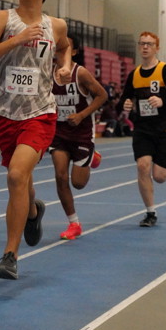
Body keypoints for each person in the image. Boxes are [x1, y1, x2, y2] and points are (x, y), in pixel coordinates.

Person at [0, 0, 72, 279]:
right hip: (6, 112)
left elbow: (65, 47)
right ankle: (33, 211)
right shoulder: (3, 19)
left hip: (40, 112)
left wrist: (65, 66)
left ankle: (10, 255)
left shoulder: (55, 25)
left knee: (17, 175)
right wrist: (17, 40)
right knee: (22, 180)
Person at [118, 32, 166, 227]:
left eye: (149, 44)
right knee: (143, 166)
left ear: (157, 48)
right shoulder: (134, 74)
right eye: (142, 43)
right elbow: (124, 98)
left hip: (165, 128)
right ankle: (150, 212)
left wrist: (163, 100)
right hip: (143, 129)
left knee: (160, 177)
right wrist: (125, 104)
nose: (145, 47)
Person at [50, 35, 108, 240]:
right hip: (59, 133)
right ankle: (74, 223)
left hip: (81, 133)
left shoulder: (80, 73)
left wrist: (82, 115)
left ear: (73, 52)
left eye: (65, 48)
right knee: (60, 176)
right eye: (57, 47)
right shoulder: (48, 72)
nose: (60, 51)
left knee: (78, 183)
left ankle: (92, 156)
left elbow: (102, 95)